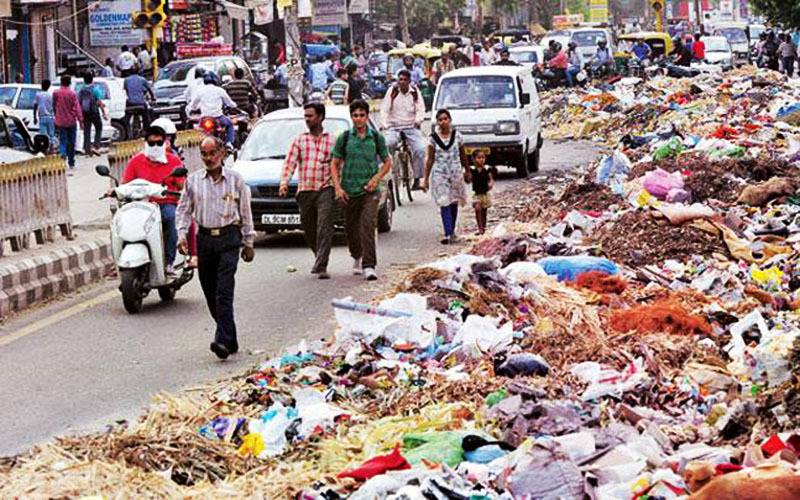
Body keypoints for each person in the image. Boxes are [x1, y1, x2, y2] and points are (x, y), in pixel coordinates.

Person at [176, 137, 255, 360]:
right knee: (210, 291)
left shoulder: (236, 180)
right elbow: (183, 210)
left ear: (221, 153)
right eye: (204, 154)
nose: (208, 158)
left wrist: (248, 242)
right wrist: (181, 235)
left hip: (229, 238)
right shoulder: (193, 181)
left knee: (224, 291)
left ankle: (221, 341)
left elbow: (245, 212)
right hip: (205, 240)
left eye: (212, 153)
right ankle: (230, 337)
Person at [331, 100, 392, 281]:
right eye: (355, 115)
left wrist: (375, 179)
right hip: (349, 190)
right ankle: (356, 255)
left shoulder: (376, 137)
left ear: (367, 116)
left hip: (370, 191)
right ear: (352, 117)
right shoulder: (345, 138)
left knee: (367, 225)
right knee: (351, 228)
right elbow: (334, 164)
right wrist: (338, 187)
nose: (358, 119)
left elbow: (387, 162)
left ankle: (369, 265)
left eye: (362, 115)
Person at [279, 102, 335, 279]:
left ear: (320, 117)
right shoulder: (300, 140)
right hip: (305, 189)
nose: (307, 120)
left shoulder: (332, 140)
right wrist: (284, 183)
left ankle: (321, 264)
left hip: (326, 187)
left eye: (310, 116)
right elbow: (290, 163)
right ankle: (319, 255)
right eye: (305, 116)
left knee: (324, 226)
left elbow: (338, 165)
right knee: (309, 227)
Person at [121, 124, 184, 275]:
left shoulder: (173, 161)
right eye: (151, 143)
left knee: (170, 217)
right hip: (140, 206)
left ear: (165, 143)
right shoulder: (136, 161)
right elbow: (126, 184)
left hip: (165, 204)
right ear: (146, 143)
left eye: (159, 143)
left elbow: (182, 185)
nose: (155, 146)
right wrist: (115, 191)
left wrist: (178, 186)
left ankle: (169, 262)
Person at [420, 109, 469, 244]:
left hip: (455, 173)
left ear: (450, 120)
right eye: (440, 119)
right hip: (440, 174)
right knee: (444, 201)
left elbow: (463, 155)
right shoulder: (433, 139)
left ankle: (452, 231)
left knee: (453, 201)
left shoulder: (457, 136)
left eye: (445, 119)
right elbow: (430, 159)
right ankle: (447, 233)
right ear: (437, 122)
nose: (443, 122)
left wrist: (468, 171)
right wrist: (425, 179)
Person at [380, 69, 426, 189]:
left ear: (409, 81)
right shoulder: (392, 91)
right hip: (394, 126)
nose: (402, 82)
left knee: (420, 149)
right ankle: (388, 171)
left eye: (405, 80)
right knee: (389, 143)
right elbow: (384, 109)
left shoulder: (415, 92)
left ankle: (417, 178)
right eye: (400, 79)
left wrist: (418, 120)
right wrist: (384, 124)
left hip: (411, 126)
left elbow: (421, 109)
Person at [189, 74, 237, 148]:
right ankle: (229, 143)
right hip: (218, 117)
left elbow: (193, 105)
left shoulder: (200, 91)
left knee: (198, 129)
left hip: (204, 118)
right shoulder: (220, 90)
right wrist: (234, 105)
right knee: (230, 125)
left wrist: (194, 108)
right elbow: (229, 102)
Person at [52, 75, 82, 174]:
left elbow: (54, 106)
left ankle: (62, 156)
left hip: (60, 121)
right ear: (69, 83)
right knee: (71, 141)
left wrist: (56, 115)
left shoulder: (56, 93)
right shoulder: (72, 94)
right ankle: (71, 161)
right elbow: (77, 108)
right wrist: (80, 119)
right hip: (71, 121)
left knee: (63, 140)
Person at [78, 73, 107, 157]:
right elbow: (99, 102)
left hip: (85, 112)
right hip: (94, 111)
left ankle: (87, 149)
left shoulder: (81, 89)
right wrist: (103, 112)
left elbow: (79, 102)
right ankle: (96, 146)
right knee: (99, 127)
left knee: (87, 130)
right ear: (92, 79)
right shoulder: (95, 89)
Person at [469, 150, 496, 235]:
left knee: (484, 212)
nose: (481, 160)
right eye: (479, 158)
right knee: (478, 209)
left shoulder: (487, 169)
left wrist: (490, 184)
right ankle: (480, 228)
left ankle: (483, 228)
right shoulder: (472, 170)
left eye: (483, 158)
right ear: (473, 159)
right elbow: (468, 179)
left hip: (485, 194)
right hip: (477, 194)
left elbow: (491, 179)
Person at [124, 69, 155, 135]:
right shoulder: (142, 79)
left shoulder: (126, 80)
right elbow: (149, 90)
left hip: (130, 103)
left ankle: (126, 128)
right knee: (146, 116)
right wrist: (153, 98)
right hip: (141, 103)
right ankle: (146, 129)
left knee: (127, 116)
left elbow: (126, 90)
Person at [32, 79, 56, 152]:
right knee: (51, 134)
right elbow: (54, 106)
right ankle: (51, 149)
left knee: (43, 134)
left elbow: (35, 106)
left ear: (41, 86)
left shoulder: (38, 95)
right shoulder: (51, 95)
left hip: (42, 117)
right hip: (50, 117)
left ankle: (44, 149)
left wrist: (34, 117)